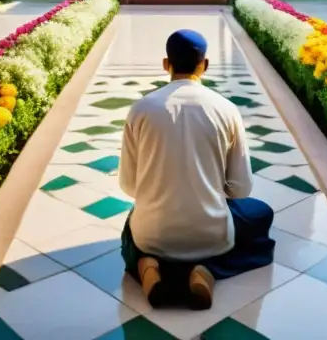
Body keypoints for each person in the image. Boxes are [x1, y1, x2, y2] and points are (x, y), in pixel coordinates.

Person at [118, 29, 275, 310]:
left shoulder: (141, 109)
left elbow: (129, 186)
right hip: (211, 234)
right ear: (205, 65)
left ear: (166, 64)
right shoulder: (226, 109)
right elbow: (241, 189)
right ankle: (205, 269)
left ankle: (147, 265)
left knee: (132, 227)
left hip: (153, 234)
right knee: (260, 213)